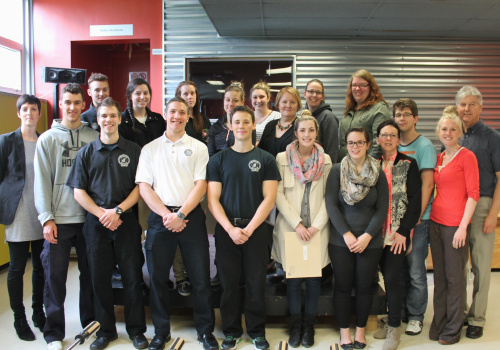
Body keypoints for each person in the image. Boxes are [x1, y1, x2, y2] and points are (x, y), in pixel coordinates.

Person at [136, 97, 218, 350]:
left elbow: (200, 185)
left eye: (182, 112)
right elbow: (144, 187)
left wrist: (180, 215)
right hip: (160, 219)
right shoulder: (150, 149)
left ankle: (205, 332)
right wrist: (166, 215)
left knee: (201, 277)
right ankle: (161, 333)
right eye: (173, 111)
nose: (177, 116)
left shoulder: (199, 147)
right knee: (158, 279)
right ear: (166, 114)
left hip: (190, 218)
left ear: (188, 116)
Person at [66, 97, 147, 350]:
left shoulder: (134, 150)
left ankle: (136, 331)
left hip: (127, 222)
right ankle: (106, 331)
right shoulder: (86, 152)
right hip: (96, 225)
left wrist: (119, 211)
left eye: (113, 116)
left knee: (132, 277)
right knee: (99, 279)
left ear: (119, 119)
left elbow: (141, 187)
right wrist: (103, 214)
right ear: (97, 120)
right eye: (104, 116)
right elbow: (79, 191)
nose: (108, 120)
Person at [207, 105, 280, 350]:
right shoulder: (218, 160)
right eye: (236, 122)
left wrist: (248, 229)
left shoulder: (266, 159)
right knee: (229, 285)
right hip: (227, 231)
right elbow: (213, 200)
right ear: (230, 125)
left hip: (257, 231)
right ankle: (231, 332)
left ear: (253, 126)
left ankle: (257, 332)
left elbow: (269, 198)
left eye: (246, 122)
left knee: (256, 282)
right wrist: (230, 229)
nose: (241, 126)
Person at [34, 83, 97, 350]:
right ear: (61, 105)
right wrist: (46, 218)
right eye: (67, 102)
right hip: (58, 220)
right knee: (55, 278)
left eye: (77, 102)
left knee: (90, 275)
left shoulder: (93, 137)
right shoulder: (47, 139)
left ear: (84, 105)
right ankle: (54, 333)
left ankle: (90, 324)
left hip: (88, 220)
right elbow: (42, 181)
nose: (72, 107)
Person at [325, 127, 389, 350]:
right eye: (351, 143)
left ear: (368, 144)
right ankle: (344, 334)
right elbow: (331, 204)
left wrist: (367, 237)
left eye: (359, 142)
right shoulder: (336, 170)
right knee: (342, 286)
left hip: (370, 242)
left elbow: (382, 208)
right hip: (340, 240)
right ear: (346, 145)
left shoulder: (377, 171)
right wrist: (348, 234)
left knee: (364, 287)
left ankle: (360, 331)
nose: (355, 147)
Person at [273, 111, 332, 348]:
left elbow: (329, 197)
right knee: (294, 279)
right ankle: (295, 325)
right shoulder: (281, 158)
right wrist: (297, 224)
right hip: (291, 229)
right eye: (302, 130)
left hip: (317, 230)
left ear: (316, 133)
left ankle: (309, 325)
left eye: (311, 130)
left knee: (315, 279)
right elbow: (277, 194)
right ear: (295, 133)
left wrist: (316, 226)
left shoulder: (325, 160)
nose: (306, 134)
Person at [429, 106, 479, 345]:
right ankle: (439, 322)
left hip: (454, 227)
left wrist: (462, 227)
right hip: (436, 224)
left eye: (453, 129)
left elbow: (473, 194)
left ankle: (452, 328)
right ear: (438, 131)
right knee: (439, 278)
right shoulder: (439, 158)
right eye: (444, 129)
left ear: (459, 132)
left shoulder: (467, 156)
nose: (448, 133)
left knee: (455, 279)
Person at [455, 86, 500, 339]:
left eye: (472, 104)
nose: (467, 109)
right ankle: (459, 312)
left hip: (482, 206)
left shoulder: (493, 137)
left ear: (481, 108)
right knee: (458, 265)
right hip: (457, 207)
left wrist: (494, 212)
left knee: (481, 266)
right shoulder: (454, 136)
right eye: (462, 104)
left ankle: (477, 318)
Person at [0, 95, 44, 341]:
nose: (29, 113)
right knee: (17, 269)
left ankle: (39, 313)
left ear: (39, 113)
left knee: (40, 268)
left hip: (40, 214)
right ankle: (19, 318)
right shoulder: (6, 141)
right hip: (18, 213)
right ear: (19, 113)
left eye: (33, 109)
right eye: (25, 109)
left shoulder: (44, 141)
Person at [375, 120, 421, 350]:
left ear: (398, 139)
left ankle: (394, 327)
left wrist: (404, 232)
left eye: (393, 135)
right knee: (376, 279)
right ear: (377, 139)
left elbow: (415, 202)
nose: (389, 139)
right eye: (384, 135)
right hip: (373, 234)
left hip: (396, 234)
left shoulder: (408, 163)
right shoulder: (371, 163)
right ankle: (385, 316)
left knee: (392, 278)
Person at [392, 99, 436, 336]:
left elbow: (428, 185)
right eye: (398, 114)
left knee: (416, 270)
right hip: (396, 221)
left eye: (407, 114)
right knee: (398, 269)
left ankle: (416, 316)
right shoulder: (394, 144)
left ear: (416, 118)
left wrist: (415, 218)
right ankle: (400, 312)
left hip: (418, 219)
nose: (402, 119)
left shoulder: (424, 146)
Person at [173, 80, 213, 296]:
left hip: (199, 184)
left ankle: (196, 275)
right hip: (178, 186)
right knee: (178, 230)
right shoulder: (173, 121)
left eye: (192, 94)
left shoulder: (203, 120)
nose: (189, 97)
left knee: (196, 234)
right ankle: (181, 277)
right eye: (185, 93)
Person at [338, 69, 391, 162]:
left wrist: (365, 168)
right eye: (354, 85)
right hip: (346, 167)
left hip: (366, 169)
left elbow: (379, 145)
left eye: (362, 85)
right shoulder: (351, 110)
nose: (357, 88)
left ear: (371, 87)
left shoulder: (379, 109)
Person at [207, 81, 256, 156]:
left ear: (242, 102)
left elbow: (250, 152)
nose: (230, 104)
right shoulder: (215, 127)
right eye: (227, 100)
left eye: (235, 100)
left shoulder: (247, 126)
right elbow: (210, 155)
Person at [119, 78, 165, 147]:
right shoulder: (121, 120)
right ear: (130, 96)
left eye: (145, 93)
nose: (142, 97)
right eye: (138, 93)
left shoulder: (158, 119)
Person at [303, 78, 339, 162]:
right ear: (305, 94)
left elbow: (332, 150)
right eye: (311, 91)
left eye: (318, 92)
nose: (314, 95)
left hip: (322, 168)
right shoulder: (303, 116)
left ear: (322, 96)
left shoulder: (328, 117)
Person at [258, 86, 301, 157]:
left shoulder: (301, 127)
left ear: (298, 105)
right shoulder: (270, 125)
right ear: (278, 104)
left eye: (292, 102)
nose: (288, 105)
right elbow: (260, 152)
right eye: (284, 102)